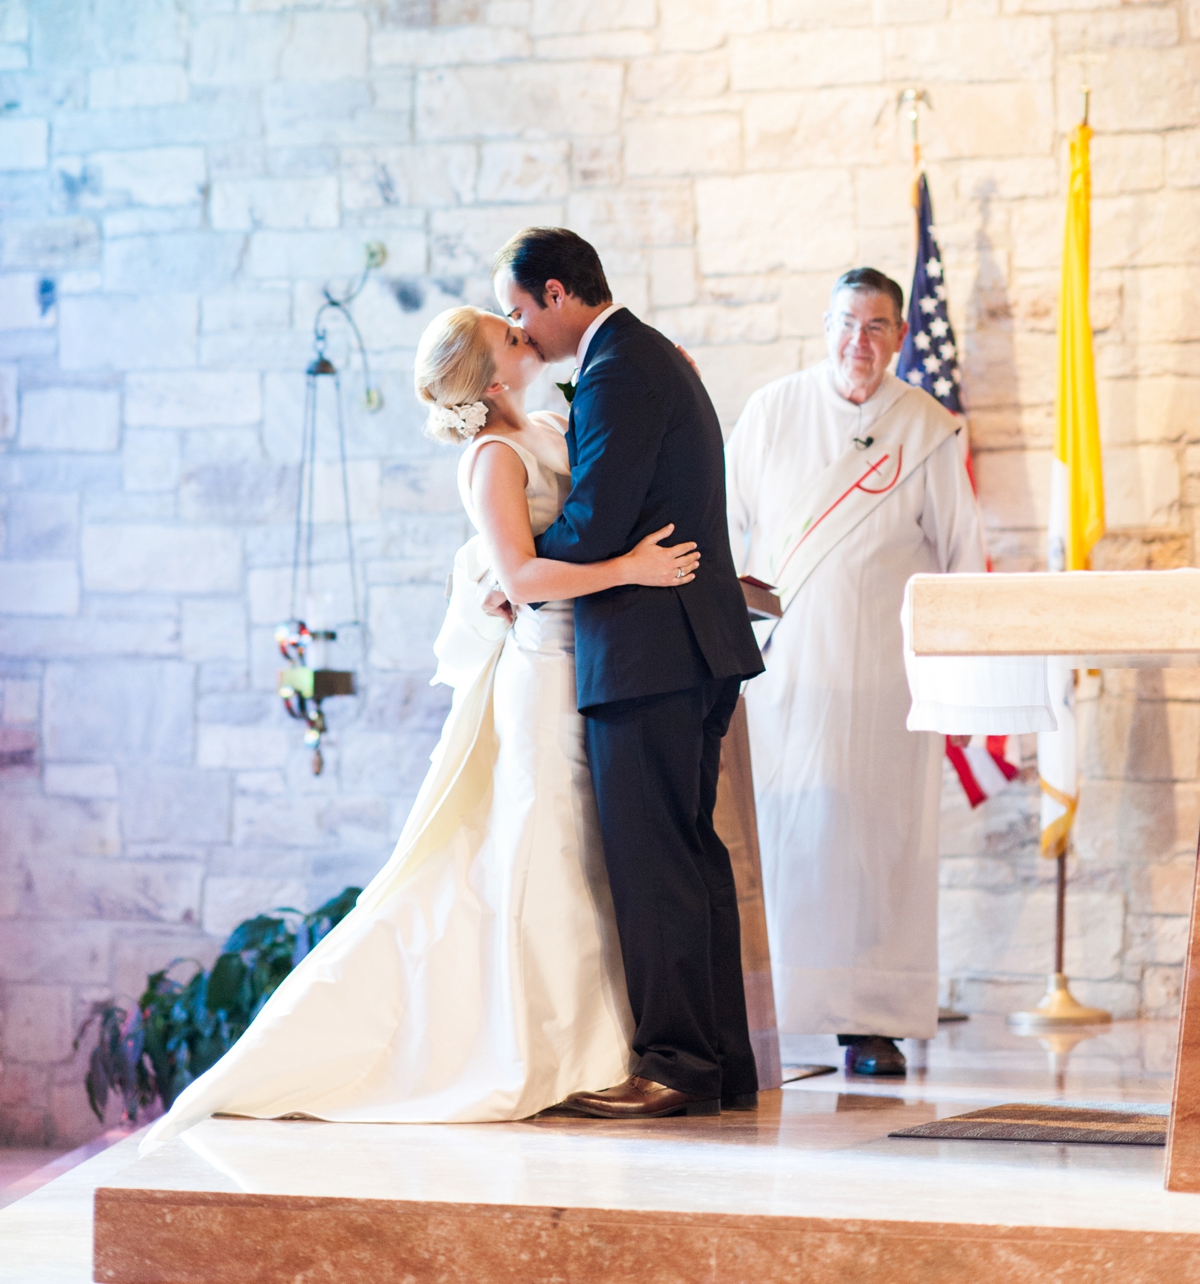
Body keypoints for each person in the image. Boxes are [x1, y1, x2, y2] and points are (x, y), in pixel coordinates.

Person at [140, 304, 702, 1148]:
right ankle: (525, 1048)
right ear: (488, 375)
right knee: (536, 849)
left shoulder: (552, 422)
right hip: (540, 671)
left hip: (583, 666)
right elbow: (521, 571)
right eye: (507, 336)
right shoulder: (492, 458)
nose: (523, 333)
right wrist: (631, 569)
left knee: (576, 855)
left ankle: (585, 1046)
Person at [494, 227, 765, 1120]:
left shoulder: (618, 366)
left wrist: (521, 572)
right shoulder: (646, 355)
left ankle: (675, 1066)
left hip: (653, 648)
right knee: (690, 856)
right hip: (689, 643)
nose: (522, 330)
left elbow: (601, 515)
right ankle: (720, 1062)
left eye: (524, 309)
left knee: (654, 862)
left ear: (560, 291)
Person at [725, 267, 986, 1078]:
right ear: (826, 324)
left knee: (879, 850)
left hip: (885, 686)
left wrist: (960, 674)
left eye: (876, 328)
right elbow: (728, 531)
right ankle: (768, 1013)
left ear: (901, 338)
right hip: (785, 678)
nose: (858, 343)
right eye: (846, 323)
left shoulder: (927, 428)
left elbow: (961, 557)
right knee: (788, 839)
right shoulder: (771, 412)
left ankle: (870, 1024)